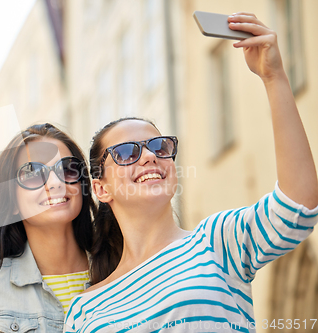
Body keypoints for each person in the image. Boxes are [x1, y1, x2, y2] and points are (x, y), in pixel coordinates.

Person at [64, 13, 318, 333]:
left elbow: (298, 206)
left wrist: (274, 76)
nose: (148, 157)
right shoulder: (85, 309)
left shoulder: (216, 241)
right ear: (101, 189)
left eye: (159, 146)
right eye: (127, 152)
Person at [0, 123, 95, 333]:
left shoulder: (119, 267)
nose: (56, 182)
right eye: (33, 173)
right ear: (11, 202)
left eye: (67, 168)